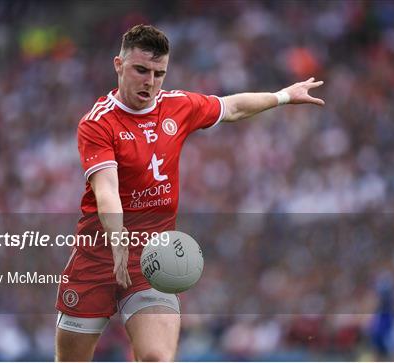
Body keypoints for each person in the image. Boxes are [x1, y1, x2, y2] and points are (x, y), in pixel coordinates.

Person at [55, 24, 324, 361]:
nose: (150, 82)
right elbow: (107, 189)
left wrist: (283, 96)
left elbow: (232, 107)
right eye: (141, 70)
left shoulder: (177, 106)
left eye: (158, 73)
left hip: (152, 260)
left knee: (156, 357)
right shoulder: (98, 123)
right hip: (96, 259)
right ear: (119, 65)